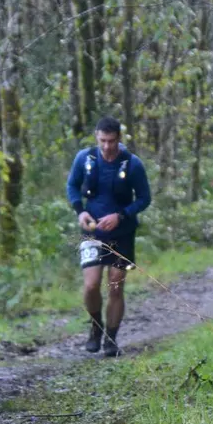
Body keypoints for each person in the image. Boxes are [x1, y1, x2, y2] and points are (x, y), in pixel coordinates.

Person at [66, 116, 151, 357]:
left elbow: (144, 198)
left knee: (115, 286)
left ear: (119, 139)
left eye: (111, 141)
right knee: (91, 285)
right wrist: (79, 210)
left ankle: (111, 338)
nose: (106, 146)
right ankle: (95, 327)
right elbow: (72, 186)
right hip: (92, 231)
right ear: (96, 137)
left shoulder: (132, 164)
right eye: (102, 140)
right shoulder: (85, 159)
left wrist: (121, 215)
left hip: (122, 232)